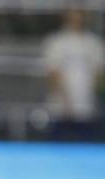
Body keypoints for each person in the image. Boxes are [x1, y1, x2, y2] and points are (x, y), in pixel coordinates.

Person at [43, 7, 104, 142]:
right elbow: (53, 72)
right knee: (59, 145)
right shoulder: (56, 42)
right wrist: (65, 99)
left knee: (87, 144)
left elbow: (98, 73)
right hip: (61, 107)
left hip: (87, 105)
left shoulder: (94, 43)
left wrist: (95, 96)